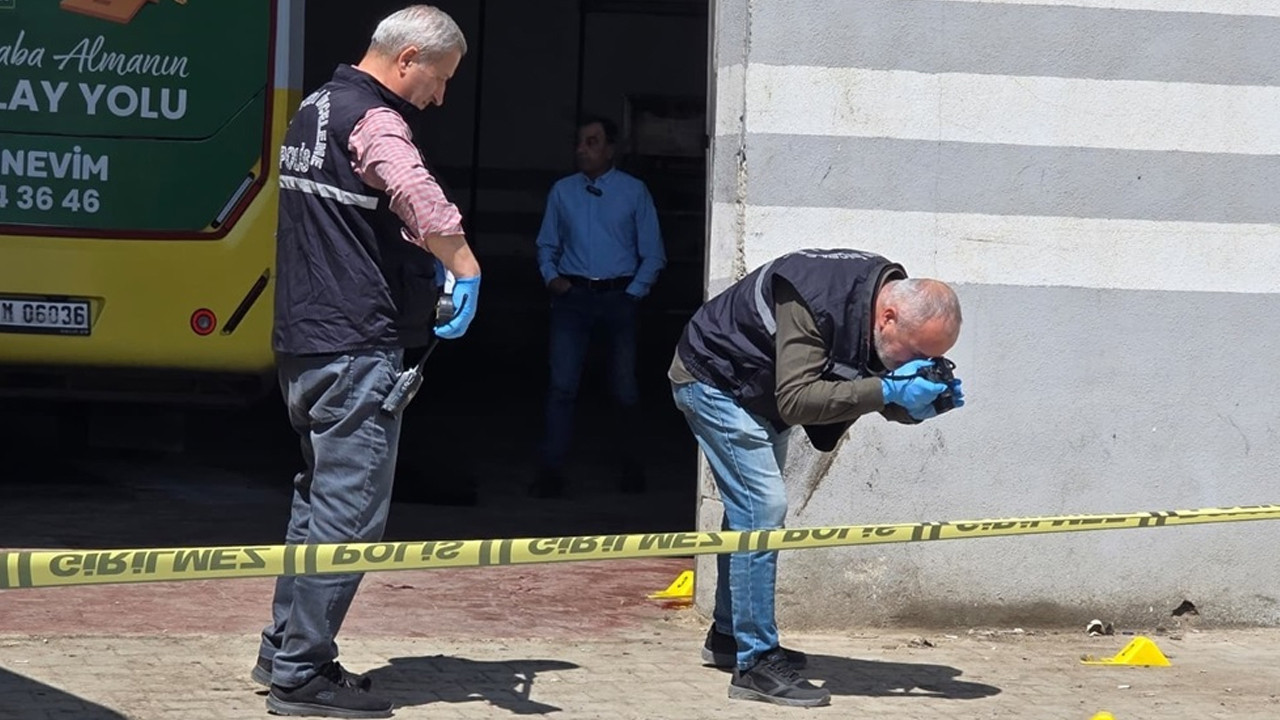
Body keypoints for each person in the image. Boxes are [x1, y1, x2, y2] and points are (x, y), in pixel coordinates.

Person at [255, 6, 479, 718]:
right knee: (349, 516)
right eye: (439, 78)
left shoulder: (314, 109)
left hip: (304, 341)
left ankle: (282, 650)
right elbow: (412, 188)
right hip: (354, 344)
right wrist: (463, 263)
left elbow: (351, 216)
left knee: (315, 503)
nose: (439, 97)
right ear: (407, 58)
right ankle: (300, 676)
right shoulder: (373, 119)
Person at [668, 248, 965, 707]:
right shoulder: (816, 298)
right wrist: (889, 389)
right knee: (761, 510)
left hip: (758, 392)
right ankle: (756, 664)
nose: (917, 365)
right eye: (918, 355)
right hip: (715, 380)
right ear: (888, 318)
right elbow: (798, 400)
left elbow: (859, 388)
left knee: (750, 511)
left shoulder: (876, 310)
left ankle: (729, 635)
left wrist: (917, 406)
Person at [531, 115, 667, 498]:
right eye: (580, 142)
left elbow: (653, 252)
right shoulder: (562, 192)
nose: (582, 149)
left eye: (592, 142)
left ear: (611, 149)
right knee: (562, 387)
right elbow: (546, 244)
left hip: (618, 298)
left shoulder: (634, 192)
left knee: (624, 388)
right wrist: (552, 278)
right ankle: (550, 472)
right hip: (572, 298)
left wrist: (633, 293)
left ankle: (632, 470)